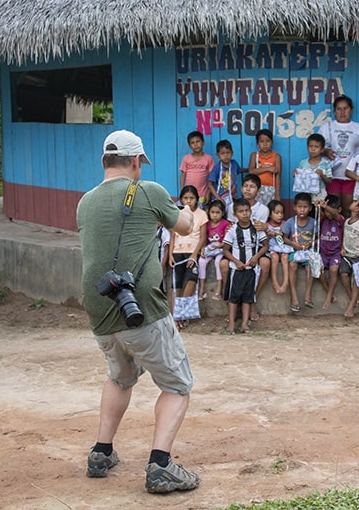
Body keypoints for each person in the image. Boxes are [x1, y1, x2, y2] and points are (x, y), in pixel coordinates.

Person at [76, 129, 199, 494]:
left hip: (99, 308)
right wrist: (189, 209)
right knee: (177, 385)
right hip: (141, 308)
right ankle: (161, 465)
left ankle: (101, 452)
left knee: (119, 377)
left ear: (103, 161)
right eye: (140, 163)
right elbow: (185, 226)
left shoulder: (85, 202)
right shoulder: (149, 191)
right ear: (135, 161)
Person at [224, 174, 271, 319]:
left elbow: (261, 234)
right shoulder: (233, 206)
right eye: (245, 186)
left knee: (265, 263)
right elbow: (231, 228)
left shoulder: (263, 209)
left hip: (255, 247)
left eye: (252, 187)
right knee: (224, 264)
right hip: (237, 248)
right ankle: (233, 303)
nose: (248, 189)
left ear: (258, 190)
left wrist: (265, 228)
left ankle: (252, 300)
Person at [222, 198, 268, 334]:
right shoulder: (233, 230)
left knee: (248, 298)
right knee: (234, 298)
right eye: (241, 211)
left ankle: (244, 325)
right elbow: (225, 249)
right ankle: (231, 325)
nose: (245, 214)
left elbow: (265, 245)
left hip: (251, 270)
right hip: (236, 270)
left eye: (247, 211)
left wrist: (256, 257)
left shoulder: (256, 228)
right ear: (235, 214)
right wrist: (236, 261)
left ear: (251, 211)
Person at [168, 185, 208, 330]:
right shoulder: (176, 214)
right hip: (177, 252)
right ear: (181, 199)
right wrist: (171, 255)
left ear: (197, 199)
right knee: (176, 285)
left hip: (192, 252)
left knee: (191, 280)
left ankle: (182, 314)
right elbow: (173, 235)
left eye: (192, 198)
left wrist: (194, 254)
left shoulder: (202, 214)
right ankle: (176, 318)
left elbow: (203, 237)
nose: (189, 201)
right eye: (186, 198)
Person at [318, 94, 359, 214]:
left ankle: (348, 232)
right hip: (332, 176)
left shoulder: (358, 128)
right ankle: (335, 233)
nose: (342, 112)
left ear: (351, 110)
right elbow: (317, 147)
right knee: (333, 209)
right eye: (339, 109)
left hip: (351, 176)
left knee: (349, 209)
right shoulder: (326, 127)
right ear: (334, 111)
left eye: (346, 108)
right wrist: (326, 151)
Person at [282, 192, 316, 312]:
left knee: (310, 267)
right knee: (292, 265)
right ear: (294, 207)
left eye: (305, 207)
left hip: (307, 251)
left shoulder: (313, 222)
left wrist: (311, 243)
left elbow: (317, 237)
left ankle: (308, 295)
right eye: (300, 207)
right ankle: (294, 296)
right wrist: (293, 244)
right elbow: (284, 238)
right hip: (295, 251)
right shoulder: (290, 222)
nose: (302, 210)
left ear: (310, 208)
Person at [197, 199, 230, 300]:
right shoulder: (206, 224)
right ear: (209, 212)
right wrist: (202, 249)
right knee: (201, 261)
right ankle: (202, 289)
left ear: (223, 213)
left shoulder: (225, 224)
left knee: (217, 262)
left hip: (221, 249)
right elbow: (203, 238)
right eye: (212, 212)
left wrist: (219, 246)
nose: (215, 215)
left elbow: (228, 240)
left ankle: (219, 289)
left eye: (218, 212)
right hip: (210, 249)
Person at [316, 194, 344, 310]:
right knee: (318, 269)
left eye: (330, 210)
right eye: (326, 211)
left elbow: (334, 214)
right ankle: (329, 291)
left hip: (335, 253)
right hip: (323, 253)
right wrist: (319, 206)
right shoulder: (323, 219)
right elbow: (323, 214)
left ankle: (328, 298)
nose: (328, 214)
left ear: (339, 209)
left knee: (333, 270)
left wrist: (325, 206)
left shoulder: (340, 220)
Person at [294, 132, 333, 201]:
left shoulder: (326, 164)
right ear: (307, 147)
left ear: (322, 149)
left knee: (319, 211)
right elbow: (299, 179)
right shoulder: (303, 163)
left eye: (316, 147)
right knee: (306, 211)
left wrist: (322, 176)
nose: (313, 149)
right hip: (305, 196)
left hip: (320, 196)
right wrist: (296, 174)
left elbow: (329, 181)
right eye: (310, 146)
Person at [179, 130, 214, 204]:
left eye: (198, 141)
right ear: (189, 146)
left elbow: (212, 178)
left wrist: (208, 192)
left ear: (203, 142)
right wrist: (182, 190)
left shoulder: (208, 158)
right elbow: (183, 175)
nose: (196, 144)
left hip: (202, 194)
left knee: (201, 212)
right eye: (192, 143)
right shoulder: (186, 158)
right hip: (189, 194)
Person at [248, 128, 282, 205]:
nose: (265, 144)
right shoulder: (254, 156)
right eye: (262, 141)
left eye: (268, 141)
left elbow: (278, 176)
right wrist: (268, 169)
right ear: (257, 144)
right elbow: (251, 171)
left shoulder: (276, 156)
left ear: (272, 142)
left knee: (270, 212)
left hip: (271, 189)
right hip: (256, 189)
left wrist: (277, 195)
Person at [266, 199, 293, 294]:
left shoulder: (285, 224)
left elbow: (288, 235)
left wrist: (282, 233)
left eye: (281, 213)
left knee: (285, 257)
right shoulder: (266, 225)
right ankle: (275, 282)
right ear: (269, 214)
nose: (280, 215)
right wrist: (269, 233)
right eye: (277, 213)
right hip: (272, 248)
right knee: (274, 257)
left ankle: (285, 283)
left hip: (283, 247)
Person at [207, 139, 241, 206]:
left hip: (232, 197)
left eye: (228, 152)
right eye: (222, 153)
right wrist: (218, 198)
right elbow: (210, 184)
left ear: (232, 153)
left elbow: (239, 170)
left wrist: (250, 169)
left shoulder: (234, 164)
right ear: (218, 155)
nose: (226, 155)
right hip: (220, 198)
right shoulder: (217, 168)